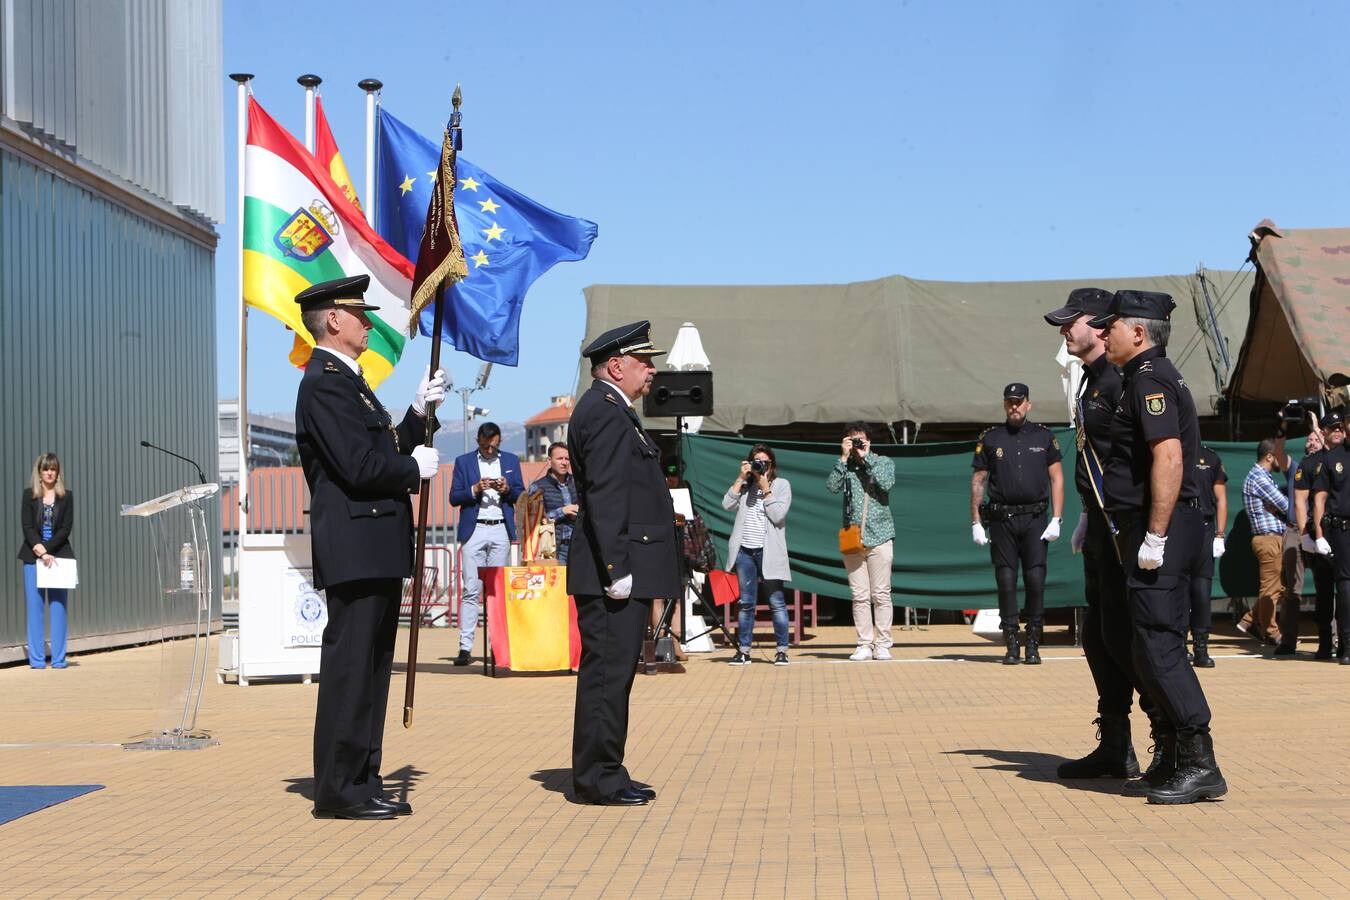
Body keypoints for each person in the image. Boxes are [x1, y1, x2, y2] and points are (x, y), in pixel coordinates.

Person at [293, 274, 443, 820]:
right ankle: (339, 788)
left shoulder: (350, 381)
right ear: (334, 319)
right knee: (352, 669)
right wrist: (411, 469)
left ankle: (362, 777)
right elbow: (358, 466)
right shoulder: (326, 382)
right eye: (359, 312)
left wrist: (416, 416)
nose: (368, 321)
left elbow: (381, 444)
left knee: (373, 670)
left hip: (374, 544)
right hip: (357, 545)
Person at [1090, 288, 1225, 804]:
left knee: (1161, 642)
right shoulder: (1138, 377)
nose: (1105, 333)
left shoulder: (1150, 380)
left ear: (1139, 332)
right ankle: (1170, 755)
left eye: (1113, 326)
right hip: (1152, 525)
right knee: (1146, 642)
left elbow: (1167, 456)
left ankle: (1199, 759)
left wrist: (1155, 534)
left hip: (1164, 528)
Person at [567, 320, 678, 806]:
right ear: (616, 365)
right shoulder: (606, 413)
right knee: (607, 676)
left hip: (619, 565)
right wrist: (617, 569)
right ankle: (597, 777)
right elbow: (607, 496)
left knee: (614, 676)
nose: (652, 370)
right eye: (644, 361)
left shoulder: (613, 409)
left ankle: (607, 768)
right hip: (612, 569)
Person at [1044, 288, 1151, 780]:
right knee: (1100, 637)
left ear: (1098, 323)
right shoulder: (1091, 380)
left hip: (1126, 527)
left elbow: (1142, 460)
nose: (1065, 331)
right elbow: (1096, 455)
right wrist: (1088, 512)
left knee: (1132, 637)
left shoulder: (1123, 379)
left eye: (1072, 322)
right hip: (1101, 522)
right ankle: (1115, 743)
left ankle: (1171, 744)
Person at [970, 383, 1064, 665]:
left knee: (1036, 580)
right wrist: (975, 520)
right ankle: (1011, 641)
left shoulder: (1044, 436)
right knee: (1006, 580)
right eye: (1010, 402)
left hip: (1036, 519)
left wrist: (1057, 518)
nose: (1014, 406)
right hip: (1002, 519)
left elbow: (1057, 478)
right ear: (1004, 405)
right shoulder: (991, 438)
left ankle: (1033, 640)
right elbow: (978, 480)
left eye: (1019, 401)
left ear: (1028, 404)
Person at [450, 422, 526, 666]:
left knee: (496, 590)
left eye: (495, 446)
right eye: (486, 446)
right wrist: (474, 489)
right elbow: (454, 497)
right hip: (475, 529)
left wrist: (507, 489)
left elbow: (521, 495)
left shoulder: (512, 461)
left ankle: (497, 645)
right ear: (478, 442)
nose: (491, 450)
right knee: (471, 589)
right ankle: (465, 646)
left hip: (500, 529)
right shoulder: (464, 462)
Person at [826, 423, 896, 661]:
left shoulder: (884, 462)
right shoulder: (846, 467)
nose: (857, 444)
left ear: (869, 441)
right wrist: (843, 458)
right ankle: (864, 643)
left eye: (860, 440)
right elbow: (831, 487)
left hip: (880, 536)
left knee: (881, 593)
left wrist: (867, 459)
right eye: (852, 440)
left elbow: (886, 484)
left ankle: (883, 644)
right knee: (859, 595)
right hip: (853, 539)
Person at [722, 444, 793, 666]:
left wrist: (766, 489)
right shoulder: (745, 486)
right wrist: (740, 477)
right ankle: (744, 650)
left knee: (776, 602)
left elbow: (779, 515)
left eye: (765, 462)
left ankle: (781, 650)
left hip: (769, 551)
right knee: (746, 603)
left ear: (772, 465)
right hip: (745, 551)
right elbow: (726, 504)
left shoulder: (781, 485)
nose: (761, 466)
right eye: (757, 462)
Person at [18, 453, 75, 669]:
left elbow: (65, 528)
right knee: (35, 608)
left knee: (59, 607)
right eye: (46, 469)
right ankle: (37, 660)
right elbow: (27, 527)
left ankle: (59, 659)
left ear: (57, 472)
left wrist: (48, 550)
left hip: (59, 556)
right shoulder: (28, 495)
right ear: (39, 472)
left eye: (53, 469)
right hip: (33, 557)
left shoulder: (66, 497)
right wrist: (41, 552)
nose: (50, 472)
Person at [1297, 411, 1343, 658]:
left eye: (1340, 427)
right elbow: (1301, 500)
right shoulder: (1311, 462)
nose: (1337, 431)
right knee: (1324, 591)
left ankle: (1345, 642)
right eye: (1331, 428)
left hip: (1344, 533)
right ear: (1323, 432)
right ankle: (1325, 643)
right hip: (1321, 533)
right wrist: (1305, 533)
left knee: (1346, 590)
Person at [1237, 438, 1291, 647]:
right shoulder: (1259, 477)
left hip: (1273, 538)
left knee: (1278, 587)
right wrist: (1281, 507)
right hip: (1268, 539)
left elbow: (1279, 504)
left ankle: (1249, 621)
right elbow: (1285, 505)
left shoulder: (1263, 476)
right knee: (1270, 589)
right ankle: (1271, 632)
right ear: (1269, 456)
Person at [1310, 408, 1350, 664]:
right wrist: (1319, 534)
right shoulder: (1332, 458)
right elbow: (1320, 498)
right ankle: (1346, 644)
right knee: (1346, 586)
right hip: (1342, 529)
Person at [1189, 444, 1228, 667]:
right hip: (1178, 526)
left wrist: (1219, 534)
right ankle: (1179, 643)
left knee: (1202, 590)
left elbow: (1220, 498)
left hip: (1204, 527)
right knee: (1180, 589)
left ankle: (1201, 646)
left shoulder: (1210, 457)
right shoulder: (1174, 451)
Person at [530, 441, 577, 565]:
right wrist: (562, 512)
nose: (564, 462)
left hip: (579, 546)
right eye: (560, 458)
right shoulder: (538, 487)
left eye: (567, 459)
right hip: (553, 549)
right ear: (549, 461)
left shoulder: (578, 484)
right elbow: (533, 520)